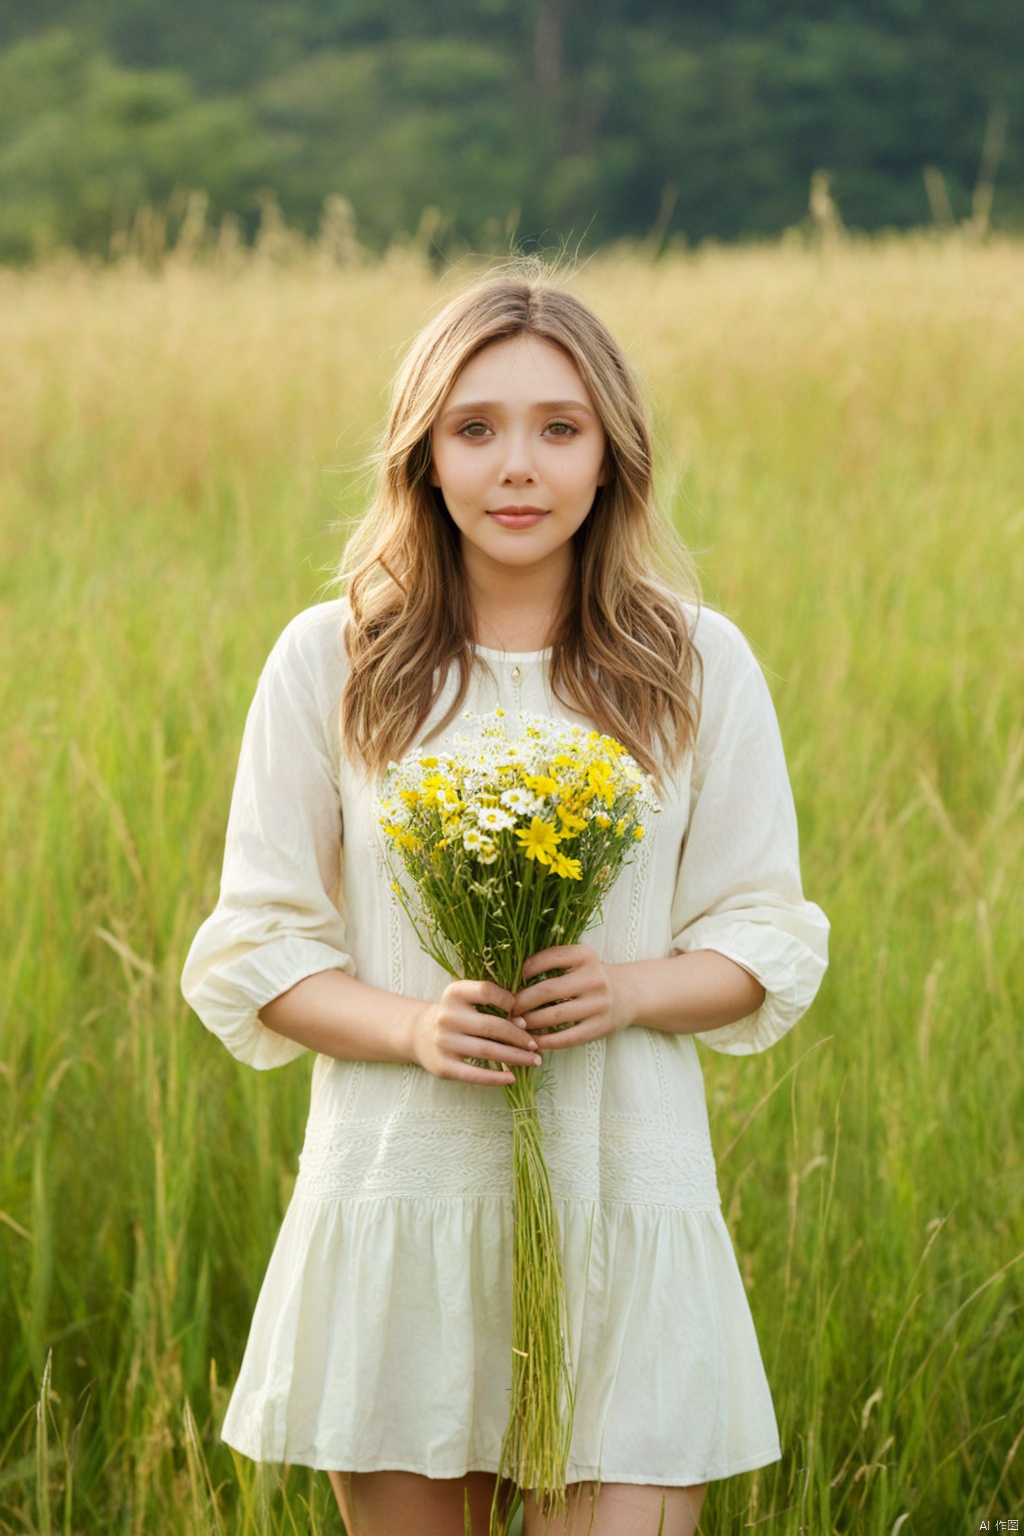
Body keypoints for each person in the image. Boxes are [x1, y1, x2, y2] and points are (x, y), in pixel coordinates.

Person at [181, 270, 829, 1536]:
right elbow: (255, 945)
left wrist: (635, 987)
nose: (516, 466)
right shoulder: (335, 661)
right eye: (474, 429)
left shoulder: (695, 664)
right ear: (422, 457)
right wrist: (414, 1028)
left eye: (558, 427)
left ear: (610, 457)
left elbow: (765, 933)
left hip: (623, 1202)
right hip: (399, 1199)